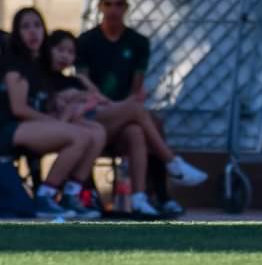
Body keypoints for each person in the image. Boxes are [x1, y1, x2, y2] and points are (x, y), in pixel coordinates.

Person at [77, 0, 206, 218]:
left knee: (139, 130)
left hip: (124, 114)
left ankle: (142, 197)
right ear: (100, 7)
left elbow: (137, 86)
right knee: (142, 116)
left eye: (119, 4)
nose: (113, 10)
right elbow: (84, 84)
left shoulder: (137, 42)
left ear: (126, 7)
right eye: (108, 4)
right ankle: (172, 163)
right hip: (96, 112)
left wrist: (124, 107)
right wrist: (113, 105)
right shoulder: (86, 41)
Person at [43, 30, 204, 217]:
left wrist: (94, 96)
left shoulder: (77, 80)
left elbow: (105, 102)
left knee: (134, 131)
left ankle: (138, 198)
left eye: (70, 52)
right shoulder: (46, 80)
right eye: (60, 50)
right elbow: (59, 115)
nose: (65, 56)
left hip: (97, 120)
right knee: (136, 109)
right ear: (48, 50)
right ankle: (172, 162)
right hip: (78, 124)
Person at [1, 7, 103, 219]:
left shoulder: (38, 65)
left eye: (37, 26)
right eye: (26, 27)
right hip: (10, 129)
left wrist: (66, 103)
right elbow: (19, 109)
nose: (33, 32)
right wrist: (55, 122)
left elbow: (46, 102)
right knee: (78, 136)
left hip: (34, 124)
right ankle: (45, 195)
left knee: (96, 132)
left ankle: (71, 194)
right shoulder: (14, 65)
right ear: (17, 33)